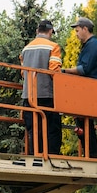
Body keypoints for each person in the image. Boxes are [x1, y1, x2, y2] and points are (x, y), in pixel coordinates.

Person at [62, 17, 97, 158]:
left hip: (90, 88)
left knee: (85, 123)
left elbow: (84, 69)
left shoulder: (92, 45)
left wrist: (64, 71)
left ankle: (92, 154)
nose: (76, 34)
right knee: (83, 124)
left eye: (77, 30)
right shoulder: (90, 45)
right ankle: (89, 153)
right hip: (87, 88)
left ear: (85, 29)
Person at [20, 20, 62, 155]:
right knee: (51, 129)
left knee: (34, 130)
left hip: (28, 96)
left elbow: (23, 72)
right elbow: (54, 71)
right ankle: (52, 157)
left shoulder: (26, 49)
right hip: (46, 95)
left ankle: (35, 156)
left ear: (37, 31)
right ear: (50, 31)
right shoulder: (53, 47)